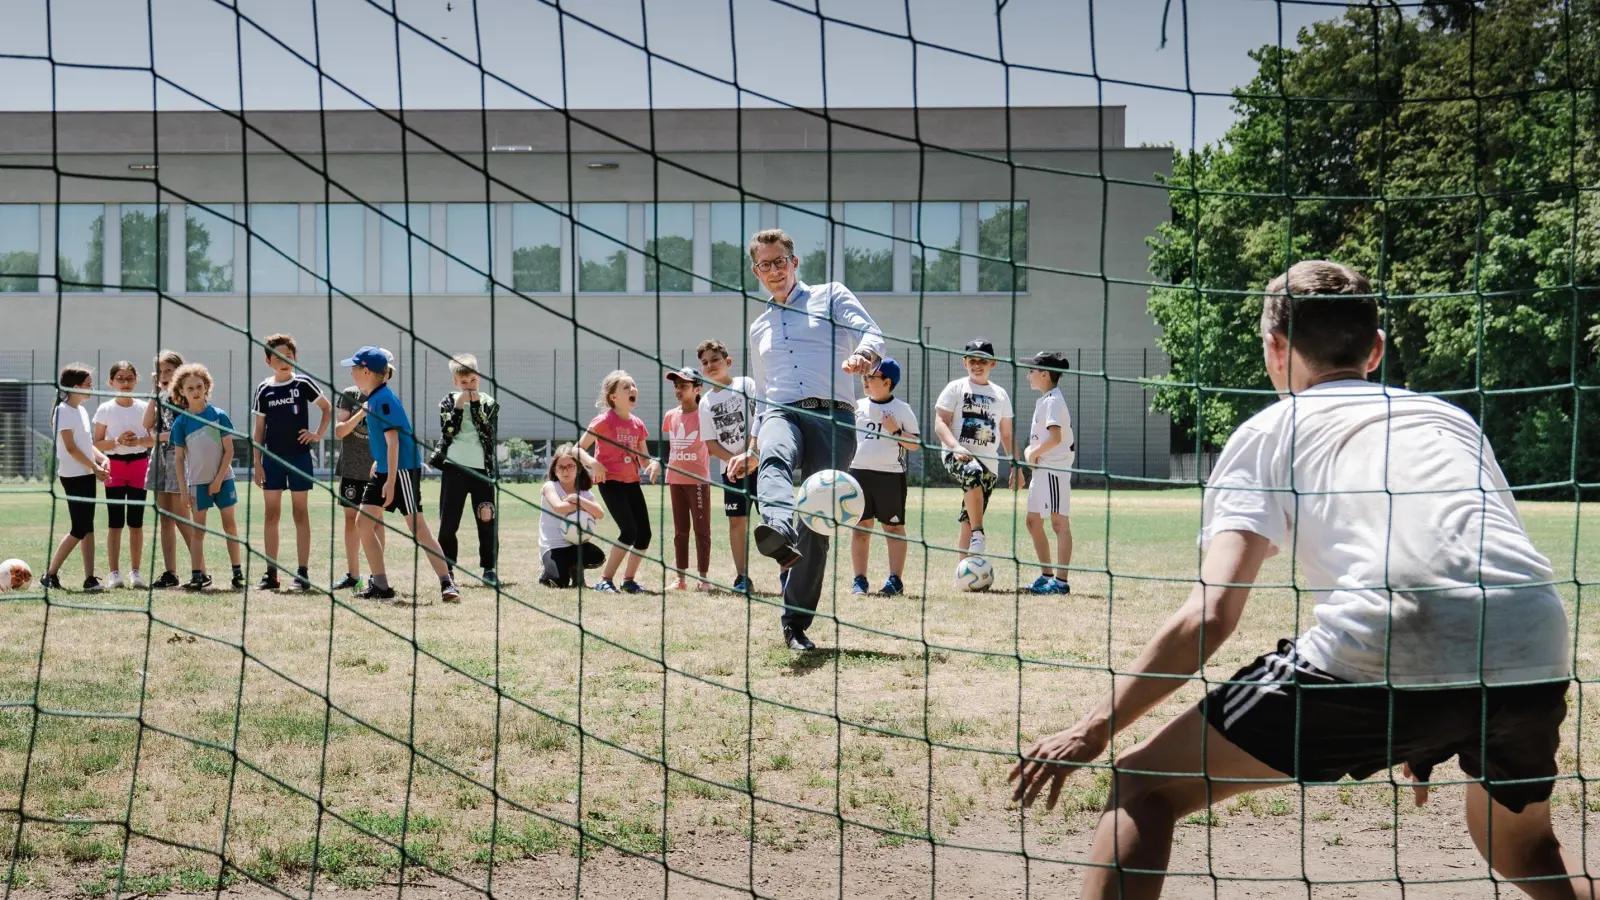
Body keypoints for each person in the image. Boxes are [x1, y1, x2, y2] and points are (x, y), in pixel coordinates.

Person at [1008, 261, 1586, 900]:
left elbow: (1209, 615)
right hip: (1532, 645)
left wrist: (1093, 728)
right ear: (1376, 349)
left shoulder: (1270, 430)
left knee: (1144, 785)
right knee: (1526, 849)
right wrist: (1432, 713)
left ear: (1275, 348)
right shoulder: (1448, 418)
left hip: (1384, 642)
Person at [745, 228, 884, 652]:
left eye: (780, 261)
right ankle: (777, 531)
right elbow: (763, 390)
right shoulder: (759, 327)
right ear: (756, 272)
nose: (774, 270)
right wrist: (752, 444)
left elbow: (872, 333)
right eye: (765, 265)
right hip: (781, 411)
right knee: (773, 457)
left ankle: (795, 622)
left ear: (794, 262)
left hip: (833, 416)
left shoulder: (831, 295)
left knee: (817, 521)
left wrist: (864, 355)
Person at [341, 346, 460, 604]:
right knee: (363, 524)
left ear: (366, 371)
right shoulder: (374, 398)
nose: (351, 373)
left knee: (418, 528)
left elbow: (394, 441)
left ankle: (447, 583)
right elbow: (384, 442)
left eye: (354, 368)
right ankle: (381, 585)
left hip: (401, 471)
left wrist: (391, 481)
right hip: (386, 470)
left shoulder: (383, 399)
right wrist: (379, 463)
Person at [251, 333, 331, 590]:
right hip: (272, 459)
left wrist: (317, 434)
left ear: (295, 357)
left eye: (288, 356)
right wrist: (257, 462)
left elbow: (327, 408)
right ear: (268, 361)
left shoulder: (303, 383)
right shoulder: (263, 389)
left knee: (300, 512)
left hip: (299, 457)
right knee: (271, 514)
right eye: (277, 357)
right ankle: (271, 574)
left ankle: (302, 573)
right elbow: (259, 429)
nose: (283, 361)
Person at [577, 369, 660, 594]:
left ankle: (629, 580)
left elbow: (644, 459)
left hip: (632, 482)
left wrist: (653, 464)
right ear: (613, 397)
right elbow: (577, 449)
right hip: (610, 482)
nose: (633, 389)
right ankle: (604, 580)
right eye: (626, 387)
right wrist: (593, 463)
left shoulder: (638, 424)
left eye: (633, 385)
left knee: (644, 534)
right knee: (629, 530)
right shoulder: (603, 421)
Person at [933, 338, 1015, 560]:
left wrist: (1015, 466)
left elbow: (1007, 434)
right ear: (965, 362)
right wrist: (955, 447)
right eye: (972, 361)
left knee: (968, 518)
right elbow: (940, 424)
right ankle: (979, 533)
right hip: (957, 455)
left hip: (989, 463)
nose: (977, 365)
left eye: (983, 361)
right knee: (972, 471)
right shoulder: (955, 388)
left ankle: (964, 571)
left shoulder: (1000, 394)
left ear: (993, 364)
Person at [846, 357, 918, 597]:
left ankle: (895, 581)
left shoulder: (902, 409)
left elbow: (915, 444)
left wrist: (895, 430)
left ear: (887, 382)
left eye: (871, 376)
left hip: (890, 476)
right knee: (861, 527)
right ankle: (860, 580)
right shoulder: (856, 407)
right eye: (864, 376)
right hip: (858, 475)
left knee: (893, 528)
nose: (865, 380)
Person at [169, 362, 244, 591]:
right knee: (198, 531)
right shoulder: (181, 423)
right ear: (181, 391)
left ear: (206, 387)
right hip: (197, 484)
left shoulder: (218, 415)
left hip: (224, 481)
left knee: (230, 526)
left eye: (199, 386)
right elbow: (179, 459)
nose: (195, 391)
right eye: (190, 388)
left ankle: (237, 573)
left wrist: (219, 480)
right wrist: (183, 491)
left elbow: (229, 451)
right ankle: (197, 576)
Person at [696, 339, 760, 594]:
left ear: (728, 361)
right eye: (705, 362)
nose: (710, 365)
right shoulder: (705, 402)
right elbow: (710, 443)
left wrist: (750, 453)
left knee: (772, 518)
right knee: (737, 521)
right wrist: (734, 461)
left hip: (759, 463)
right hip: (732, 472)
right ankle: (742, 576)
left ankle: (785, 573)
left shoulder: (747, 385)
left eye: (715, 359)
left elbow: (760, 420)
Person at [39, 363, 110, 592]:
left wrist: (102, 458)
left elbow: (86, 444)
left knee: (88, 528)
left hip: (86, 474)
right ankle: (49, 575)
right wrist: (95, 467)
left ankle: (89, 579)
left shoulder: (81, 410)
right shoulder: (63, 411)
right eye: (88, 384)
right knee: (79, 528)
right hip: (73, 477)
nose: (91, 388)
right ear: (75, 387)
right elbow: (71, 448)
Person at [430, 353, 499, 586]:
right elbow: (448, 431)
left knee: (486, 518)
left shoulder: (489, 403)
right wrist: (459, 407)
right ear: (455, 382)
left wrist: (476, 405)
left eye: (473, 380)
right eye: (463, 382)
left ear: (479, 377)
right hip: (454, 468)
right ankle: (447, 568)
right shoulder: (448, 402)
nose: (469, 386)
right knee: (449, 522)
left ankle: (489, 568)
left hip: (482, 471)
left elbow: (487, 432)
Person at [1017, 350, 1075, 595]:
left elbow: (1055, 438)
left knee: (1059, 523)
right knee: (1033, 522)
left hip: (1054, 470)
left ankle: (1061, 583)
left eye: (1031, 371)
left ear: (1044, 374)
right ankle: (1046, 576)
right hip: (1042, 471)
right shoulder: (1045, 399)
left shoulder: (1052, 401)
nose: (1028, 375)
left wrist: (1032, 453)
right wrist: (1031, 452)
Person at [92, 360, 153, 590]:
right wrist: (117, 441)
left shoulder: (144, 407)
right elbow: (97, 443)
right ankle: (114, 573)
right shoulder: (105, 409)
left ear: (136, 380)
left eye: (129, 379)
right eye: (120, 379)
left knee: (136, 522)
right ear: (111, 382)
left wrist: (137, 441)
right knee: (115, 522)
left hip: (139, 466)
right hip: (115, 468)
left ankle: (136, 572)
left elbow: (153, 439)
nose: (125, 383)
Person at [143, 350, 195, 589]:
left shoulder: (185, 397)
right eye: (160, 371)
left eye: (169, 371)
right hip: (160, 456)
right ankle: (170, 572)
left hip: (179, 457)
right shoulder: (161, 396)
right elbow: (146, 423)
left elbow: (181, 432)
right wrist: (154, 393)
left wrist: (157, 436)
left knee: (182, 518)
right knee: (165, 519)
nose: (164, 375)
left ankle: (200, 570)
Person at [663, 368, 712, 591]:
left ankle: (703, 578)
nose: (678, 390)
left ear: (697, 388)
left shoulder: (705, 414)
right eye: (676, 386)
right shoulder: (670, 415)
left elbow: (711, 446)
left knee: (702, 530)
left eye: (684, 385)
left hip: (698, 481)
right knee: (680, 531)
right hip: (675, 480)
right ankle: (680, 579)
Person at [332, 376, 382, 590]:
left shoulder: (384, 395)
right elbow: (340, 430)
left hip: (376, 470)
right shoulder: (349, 394)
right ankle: (353, 576)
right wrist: (361, 413)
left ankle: (377, 577)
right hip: (351, 469)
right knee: (350, 521)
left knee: (376, 522)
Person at [538, 443, 607, 588]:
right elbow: (559, 507)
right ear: (554, 470)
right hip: (553, 545)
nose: (566, 471)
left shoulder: (584, 493)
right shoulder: (550, 487)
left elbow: (600, 513)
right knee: (559, 582)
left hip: (574, 544)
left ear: (578, 468)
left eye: (570, 466)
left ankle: (576, 571)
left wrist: (578, 499)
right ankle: (547, 575)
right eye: (561, 467)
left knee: (597, 557)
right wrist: (585, 506)